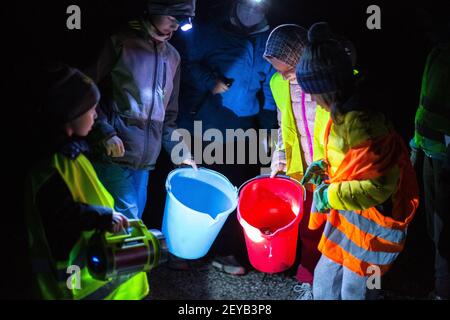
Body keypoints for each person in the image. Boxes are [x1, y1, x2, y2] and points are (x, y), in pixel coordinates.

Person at [296, 22, 420, 300]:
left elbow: (378, 186)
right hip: (350, 217)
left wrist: (331, 195)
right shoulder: (343, 113)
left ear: (327, 87)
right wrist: (325, 169)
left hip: (371, 221)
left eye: (313, 93)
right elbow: (352, 163)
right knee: (328, 275)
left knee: (354, 287)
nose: (313, 101)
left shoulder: (362, 122)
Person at [25, 64, 148, 300]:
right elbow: (62, 214)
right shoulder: (50, 165)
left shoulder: (70, 151)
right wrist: (102, 217)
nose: (95, 115)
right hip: (70, 269)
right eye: (90, 110)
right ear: (68, 117)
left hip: (87, 257)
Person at [175, 0, 277, 275]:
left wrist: (270, 133)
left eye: (259, 8)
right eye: (248, 5)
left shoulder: (266, 41)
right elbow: (184, 62)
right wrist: (210, 81)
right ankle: (182, 248)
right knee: (196, 187)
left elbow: (269, 92)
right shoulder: (209, 31)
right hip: (205, 122)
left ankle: (225, 251)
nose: (252, 13)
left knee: (234, 193)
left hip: (243, 129)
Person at [85, 0, 197, 220]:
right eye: (172, 18)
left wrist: (180, 152)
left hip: (144, 162)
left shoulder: (173, 57)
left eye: (182, 21)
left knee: (133, 225)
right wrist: (104, 131)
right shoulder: (121, 41)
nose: (175, 26)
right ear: (156, 9)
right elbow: (85, 88)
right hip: (112, 154)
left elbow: (169, 117)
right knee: (128, 222)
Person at [263, 24, 330, 300]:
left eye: (288, 70)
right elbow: (282, 125)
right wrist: (279, 156)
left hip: (334, 169)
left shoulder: (328, 80)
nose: (283, 75)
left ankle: (343, 285)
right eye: (277, 70)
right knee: (309, 227)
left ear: (303, 60)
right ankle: (309, 279)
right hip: (302, 171)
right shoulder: (279, 84)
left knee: (339, 228)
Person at [410, 41, 450, 300]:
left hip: (445, 158)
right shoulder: (436, 52)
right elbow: (426, 106)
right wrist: (416, 143)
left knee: (444, 226)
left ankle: (443, 291)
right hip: (429, 149)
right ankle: (439, 285)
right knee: (434, 225)